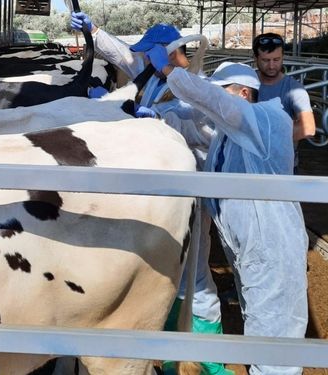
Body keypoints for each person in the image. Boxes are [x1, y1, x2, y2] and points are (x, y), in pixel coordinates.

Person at [71, 14, 232, 375]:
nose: (142, 61)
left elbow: (204, 135)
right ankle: (177, 352)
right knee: (170, 272)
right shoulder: (158, 78)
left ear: (167, 53)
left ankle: (206, 359)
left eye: (150, 55)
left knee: (196, 274)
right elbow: (125, 57)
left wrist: (153, 120)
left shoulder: (197, 85)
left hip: (193, 193)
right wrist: (92, 30)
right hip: (166, 194)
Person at [146, 45, 309, 375]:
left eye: (222, 92)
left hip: (272, 248)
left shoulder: (268, 119)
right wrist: (158, 119)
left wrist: (170, 72)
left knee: (275, 343)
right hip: (248, 250)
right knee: (258, 323)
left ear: (244, 93)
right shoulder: (227, 134)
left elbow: (214, 102)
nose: (213, 103)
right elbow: (194, 127)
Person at [252, 32, 315, 143]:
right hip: (249, 157)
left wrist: (266, 140)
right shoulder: (247, 83)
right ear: (255, 58)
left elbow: (308, 128)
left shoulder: (294, 89)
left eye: (276, 60)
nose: (271, 66)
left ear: (283, 58)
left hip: (281, 158)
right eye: (266, 60)